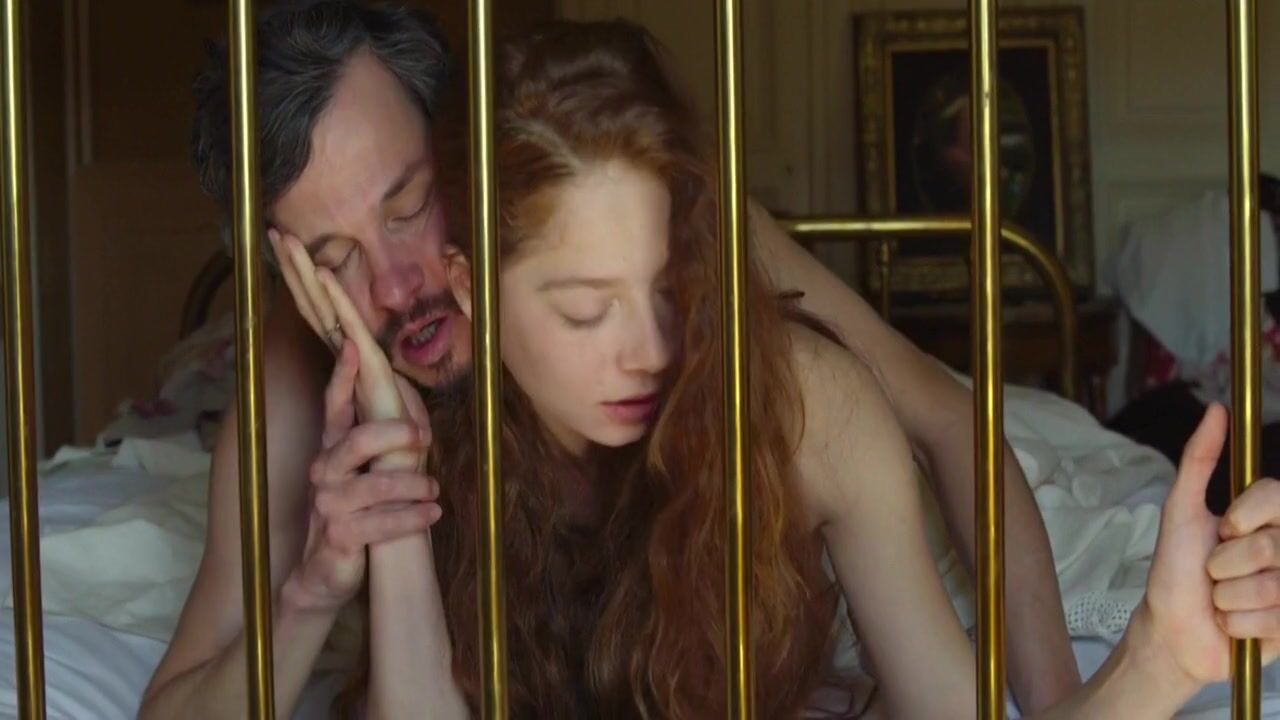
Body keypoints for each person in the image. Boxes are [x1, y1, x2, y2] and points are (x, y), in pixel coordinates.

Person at [272, 20, 1280, 717]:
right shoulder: (423, 394)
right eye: (583, 309)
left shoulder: (802, 399)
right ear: (471, 283)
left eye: (668, 288)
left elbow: (945, 419)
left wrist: (1140, 665)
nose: (650, 349)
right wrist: (390, 464)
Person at [143, 1, 1077, 716]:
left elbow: (946, 419)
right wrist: (310, 595)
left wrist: (1055, 702)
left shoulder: (666, 242)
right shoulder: (298, 375)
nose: (395, 287)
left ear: (473, 154)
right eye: (335, 258)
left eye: (410, 207)